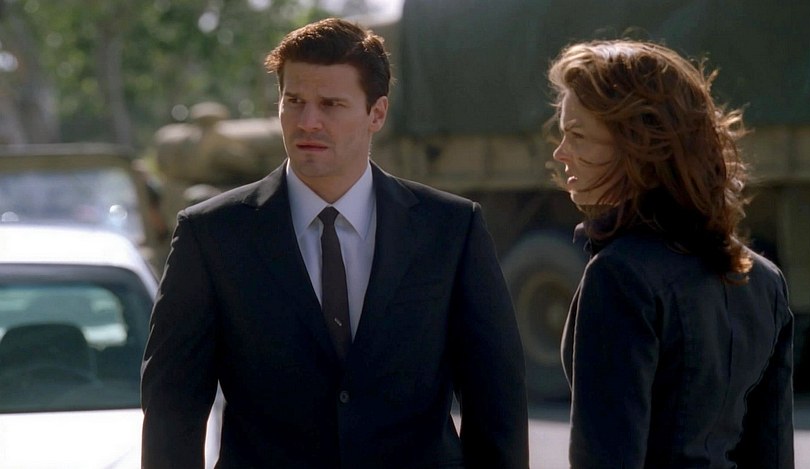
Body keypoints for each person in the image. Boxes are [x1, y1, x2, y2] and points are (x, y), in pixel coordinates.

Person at [141, 17, 529, 469]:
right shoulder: (211, 235)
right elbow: (172, 410)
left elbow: (495, 402)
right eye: (294, 102)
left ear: (376, 114)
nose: (308, 122)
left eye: (331, 104)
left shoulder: (450, 229)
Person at [547, 39, 794, 468]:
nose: (560, 152)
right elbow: (773, 453)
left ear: (638, 145)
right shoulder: (764, 280)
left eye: (577, 135)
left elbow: (606, 456)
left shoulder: (619, 275)